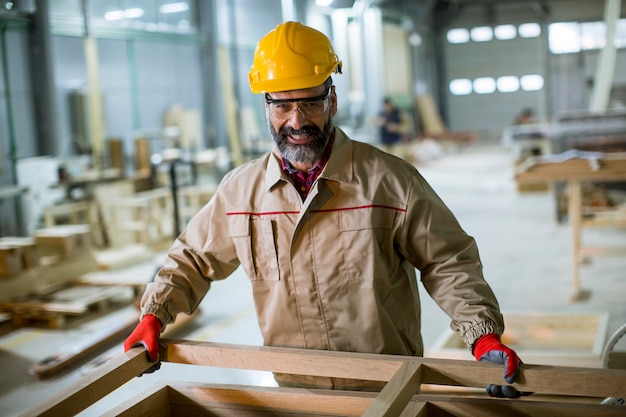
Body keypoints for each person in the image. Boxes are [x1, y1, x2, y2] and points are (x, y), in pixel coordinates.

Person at [125, 21, 522, 398]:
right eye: (282, 105)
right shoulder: (241, 193)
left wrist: (482, 334)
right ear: (266, 107)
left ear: (331, 99)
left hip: (388, 388)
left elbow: (448, 260)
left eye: (309, 102)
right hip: (298, 395)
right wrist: (154, 314)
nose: (296, 120)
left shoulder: (387, 180)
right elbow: (193, 259)